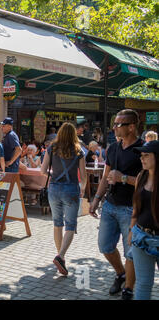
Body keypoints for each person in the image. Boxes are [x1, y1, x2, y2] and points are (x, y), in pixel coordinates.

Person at [89, 109, 143, 300]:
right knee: (105, 246)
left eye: (118, 124)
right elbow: (106, 176)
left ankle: (128, 288)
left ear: (131, 127)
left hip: (132, 208)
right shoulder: (112, 148)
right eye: (114, 124)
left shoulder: (143, 149)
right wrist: (96, 199)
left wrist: (124, 178)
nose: (114, 128)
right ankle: (121, 274)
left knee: (131, 252)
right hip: (110, 206)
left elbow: (150, 181)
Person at [40, 122, 87, 276]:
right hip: (71, 189)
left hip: (53, 189)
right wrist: (83, 189)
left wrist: (52, 176)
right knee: (71, 225)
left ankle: (61, 257)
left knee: (57, 223)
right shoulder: (78, 151)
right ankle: (60, 256)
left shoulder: (51, 148)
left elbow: (42, 170)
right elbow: (83, 175)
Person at [128, 140, 159, 300]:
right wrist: (131, 231)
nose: (142, 158)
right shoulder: (141, 176)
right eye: (141, 155)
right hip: (141, 237)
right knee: (143, 284)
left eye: (146, 155)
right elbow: (136, 208)